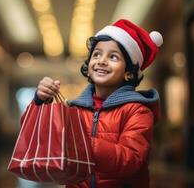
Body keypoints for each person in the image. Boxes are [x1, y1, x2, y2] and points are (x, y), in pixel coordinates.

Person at [34, 19, 163, 188]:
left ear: (128, 72)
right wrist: (40, 101)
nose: (102, 61)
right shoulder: (75, 109)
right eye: (97, 54)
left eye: (113, 56)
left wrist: (84, 143)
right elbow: (40, 139)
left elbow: (131, 160)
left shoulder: (138, 111)